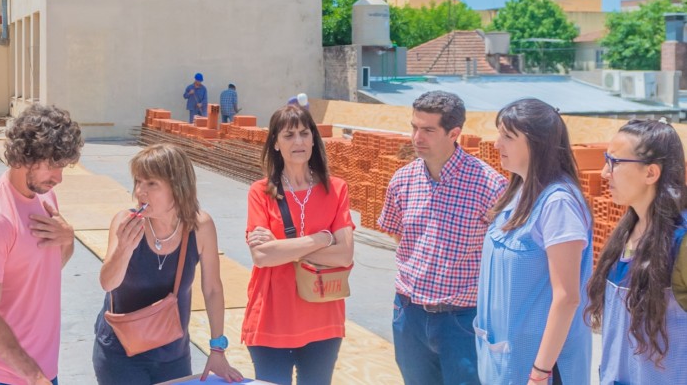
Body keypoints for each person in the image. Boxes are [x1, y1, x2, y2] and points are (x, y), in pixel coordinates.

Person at [377, 91, 506, 384]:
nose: (416, 137)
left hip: (462, 321)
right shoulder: (402, 180)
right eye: (414, 127)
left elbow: (500, 259)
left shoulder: (489, 186)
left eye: (428, 130)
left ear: (454, 133)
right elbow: (401, 238)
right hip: (408, 315)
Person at [94, 143, 243, 384]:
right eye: (138, 182)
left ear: (177, 186)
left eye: (151, 183)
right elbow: (107, 282)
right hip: (120, 354)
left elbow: (213, 289)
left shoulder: (200, 226)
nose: (141, 191)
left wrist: (217, 349)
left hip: (173, 356)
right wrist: (123, 249)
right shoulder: (125, 221)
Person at [0, 103, 83, 385]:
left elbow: (43, 270)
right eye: (53, 165)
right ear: (25, 155)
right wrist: (35, 377)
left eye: (63, 166)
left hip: (40, 369)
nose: (59, 178)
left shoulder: (45, 199)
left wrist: (68, 240)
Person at [475, 98, 592, 384]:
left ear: (536, 144)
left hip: (540, 368)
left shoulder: (558, 203)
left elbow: (567, 298)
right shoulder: (518, 191)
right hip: (505, 357)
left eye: (507, 137)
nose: (496, 143)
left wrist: (540, 372)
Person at [243, 105, 354, 385]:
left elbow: (344, 254)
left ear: (314, 139)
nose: (299, 142)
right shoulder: (261, 192)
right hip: (272, 317)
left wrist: (283, 247)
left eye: (305, 133)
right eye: (289, 135)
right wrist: (322, 238)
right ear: (276, 144)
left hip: (323, 317)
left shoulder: (336, 188)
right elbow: (262, 256)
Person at [585, 119, 687, 383]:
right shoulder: (627, 232)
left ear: (651, 173)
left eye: (615, 162)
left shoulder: (682, 241)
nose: (605, 172)